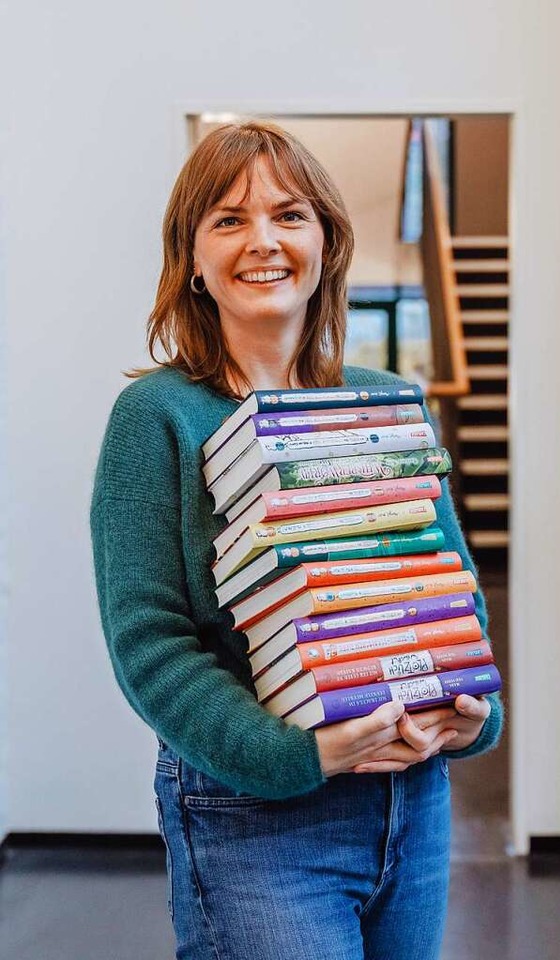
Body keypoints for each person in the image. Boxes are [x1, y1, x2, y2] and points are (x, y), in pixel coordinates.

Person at [90, 120, 503, 960]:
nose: (264, 241)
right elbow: (150, 645)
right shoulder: (158, 418)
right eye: (229, 220)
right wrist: (291, 754)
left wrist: (471, 715)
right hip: (255, 817)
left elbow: (450, 588)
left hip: (414, 806)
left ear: (326, 243)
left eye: (290, 214)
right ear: (192, 260)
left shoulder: (389, 400)